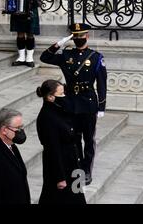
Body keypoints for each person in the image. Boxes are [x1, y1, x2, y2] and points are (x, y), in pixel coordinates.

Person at [40, 23, 107, 185]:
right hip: (70, 102)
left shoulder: (96, 57)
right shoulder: (66, 55)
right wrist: (59, 44)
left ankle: (87, 170)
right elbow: (44, 57)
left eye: (81, 36)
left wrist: (101, 106)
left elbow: (102, 84)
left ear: (87, 36)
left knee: (88, 140)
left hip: (88, 103)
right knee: (73, 138)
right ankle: (76, 167)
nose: (78, 39)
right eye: (75, 36)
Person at [36, 80, 86, 204]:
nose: (64, 97)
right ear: (50, 97)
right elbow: (52, 149)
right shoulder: (46, 117)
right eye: (61, 94)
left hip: (72, 164)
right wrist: (60, 178)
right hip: (61, 169)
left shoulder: (60, 110)